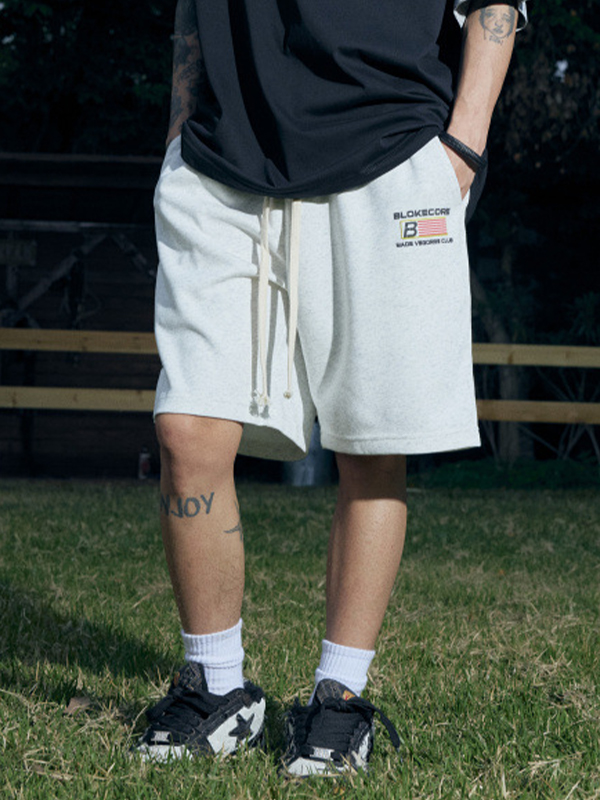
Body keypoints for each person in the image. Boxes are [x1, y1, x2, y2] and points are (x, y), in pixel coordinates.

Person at [136, 0, 527, 777]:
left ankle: (339, 698)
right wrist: (181, 125)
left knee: (371, 442)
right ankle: (217, 686)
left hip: (390, 148)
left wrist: (463, 147)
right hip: (222, 154)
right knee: (187, 427)